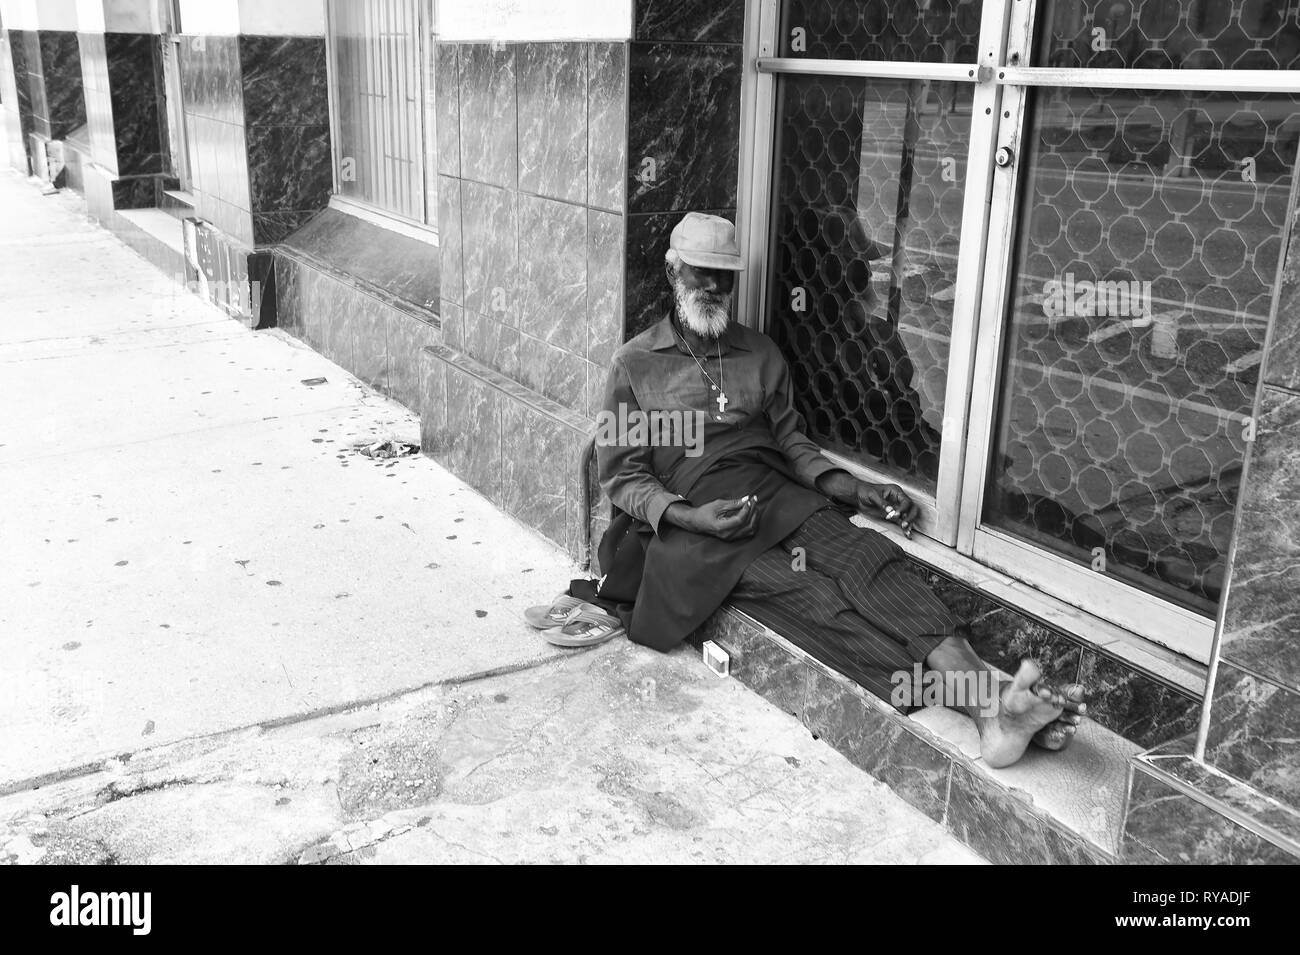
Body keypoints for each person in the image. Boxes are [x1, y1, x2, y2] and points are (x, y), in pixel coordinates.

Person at [591, 212, 1085, 768]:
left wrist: (855, 488)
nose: (711, 286)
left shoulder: (761, 354)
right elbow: (622, 474)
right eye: (700, 272)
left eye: (723, 276)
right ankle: (993, 707)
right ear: (672, 268)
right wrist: (688, 516)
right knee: (820, 603)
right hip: (696, 533)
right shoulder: (632, 364)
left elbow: (793, 444)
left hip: (777, 497)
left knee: (873, 563)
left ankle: (994, 713)